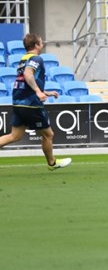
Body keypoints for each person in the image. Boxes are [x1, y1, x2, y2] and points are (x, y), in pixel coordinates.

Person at [0, 33, 71, 170]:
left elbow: (25, 81)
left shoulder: (23, 59)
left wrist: (45, 92)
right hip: (31, 104)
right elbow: (28, 74)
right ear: (37, 45)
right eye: (41, 42)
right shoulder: (36, 58)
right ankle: (52, 163)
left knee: (15, 136)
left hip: (18, 101)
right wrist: (38, 92)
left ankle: (52, 162)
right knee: (48, 134)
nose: (42, 44)